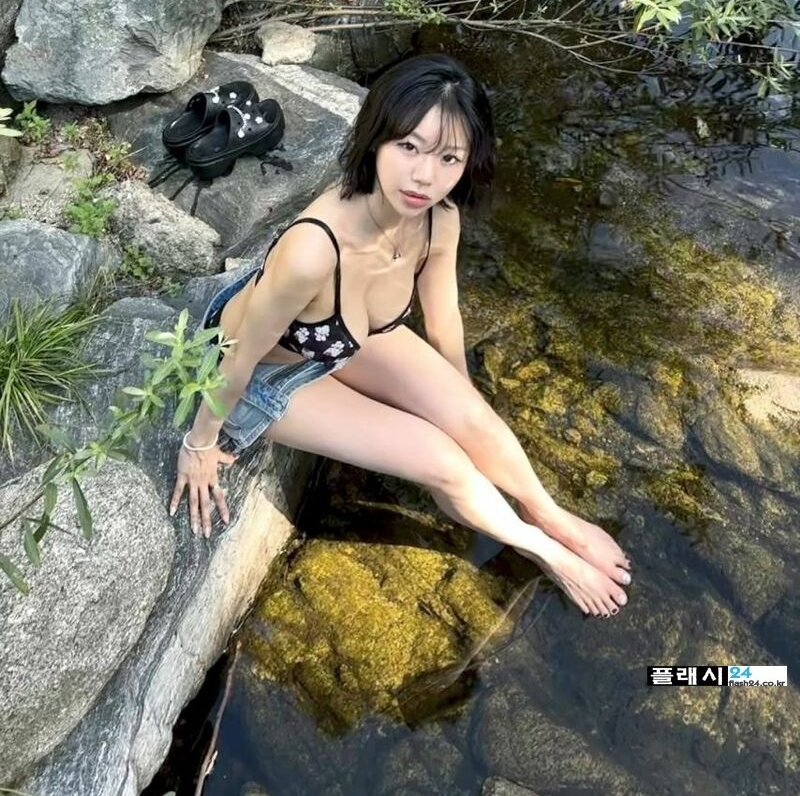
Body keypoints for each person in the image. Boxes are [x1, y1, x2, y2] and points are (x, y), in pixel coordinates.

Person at [168, 53, 632, 618]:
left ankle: (549, 515)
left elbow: (444, 319)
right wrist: (199, 445)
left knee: (475, 422)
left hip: (342, 340)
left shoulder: (438, 218)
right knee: (446, 464)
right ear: (376, 139)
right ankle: (544, 551)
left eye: (448, 157)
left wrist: (460, 406)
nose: (424, 177)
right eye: (409, 147)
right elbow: (238, 358)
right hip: (263, 374)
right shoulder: (314, 250)